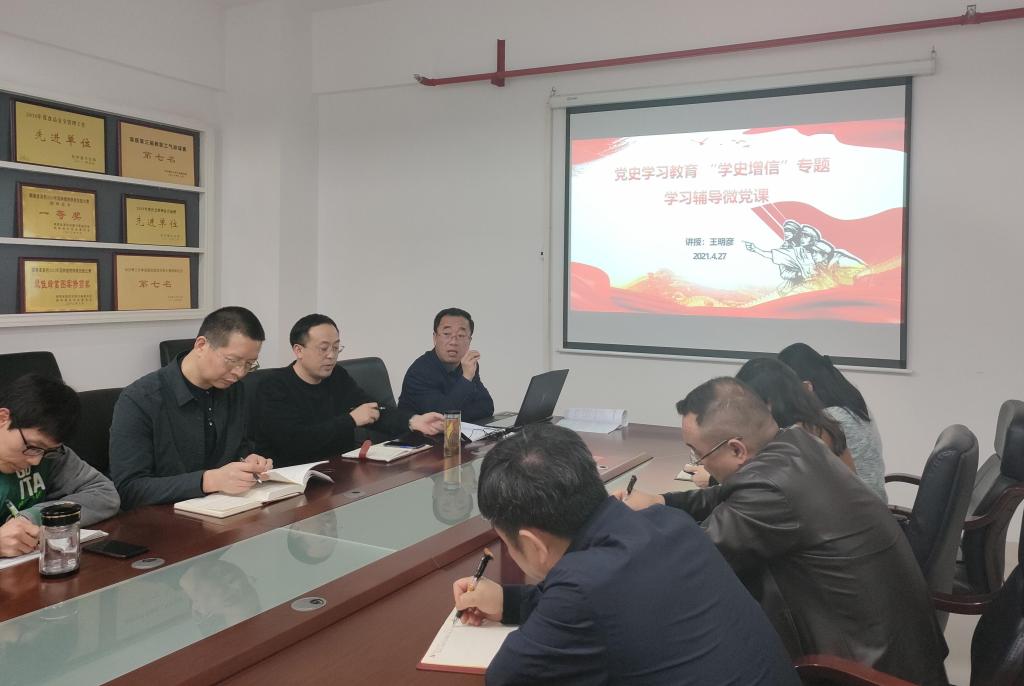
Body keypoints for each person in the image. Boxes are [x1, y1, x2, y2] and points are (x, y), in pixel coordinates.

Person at [621, 378, 948, 685]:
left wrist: (620, 531)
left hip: (861, 669)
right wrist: (663, 501)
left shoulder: (770, 489)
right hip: (894, 646)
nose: (699, 463)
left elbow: (693, 560)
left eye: (699, 453)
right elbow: (726, 494)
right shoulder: (798, 443)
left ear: (737, 450)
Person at [454, 424, 797, 685]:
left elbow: (505, 678)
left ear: (532, 544)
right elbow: (609, 606)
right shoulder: (670, 524)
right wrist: (509, 603)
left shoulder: (583, 587)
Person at [110, 306, 272, 509]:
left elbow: (240, 445)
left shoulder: (234, 389)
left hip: (226, 510)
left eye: (249, 364)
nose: (240, 372)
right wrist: (208, 481)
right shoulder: (140, 399)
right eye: (232, 361)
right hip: (163, 518)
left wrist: (248, 460)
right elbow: (129, 488)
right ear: (201, 345)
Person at [251, 314, 443, 465]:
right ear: (298, 350)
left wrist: (413, 421)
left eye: (336, 348)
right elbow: (294, 442)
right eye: (323, 348)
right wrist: (350, 420)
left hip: (339, 472)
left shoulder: (337, 376)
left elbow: (371, 410)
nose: (331, 356)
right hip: (293, 479)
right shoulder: (274, 387)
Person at [684, 357, 854, 487]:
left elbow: (765, 485)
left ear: (769, 403)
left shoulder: (799, 437)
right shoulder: (818, 423)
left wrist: (713, 480)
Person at [0, 374, 119, 557]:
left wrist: (34, 517)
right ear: (3, 418)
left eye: (47, 451)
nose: (36, 461)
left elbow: (105, 495)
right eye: (32, 447)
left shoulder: (50, 455)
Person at [779, 342, 887, 501]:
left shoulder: (826, 421)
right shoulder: (852, 403)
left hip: (855, 506)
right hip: (875, 503)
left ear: (806, 386)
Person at [398, 307, 494, 422]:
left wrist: (456, 413)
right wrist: (466, 378)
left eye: (461, 335)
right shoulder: (419, 371)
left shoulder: (467, 365)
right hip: (416, 433)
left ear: (469, 340)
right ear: (435, 338)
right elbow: (442, 418)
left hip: (455, 432)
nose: (453, 342)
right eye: (447, 334)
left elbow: (487, 407)